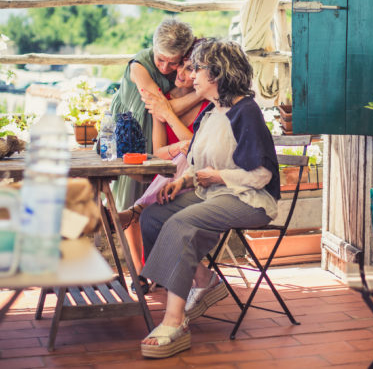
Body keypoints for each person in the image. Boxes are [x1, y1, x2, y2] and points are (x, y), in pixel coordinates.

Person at [137, 39, 279, 359]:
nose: (191, 75)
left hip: (249, 198)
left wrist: (218, 177)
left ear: (217, 72)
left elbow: (262, 176)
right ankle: (203, 278)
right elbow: (199, 164)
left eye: (197, 68)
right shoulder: (212, 112)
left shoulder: (246, 112)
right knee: (154, 216)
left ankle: (175, 323)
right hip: (212, 193)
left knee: (182, 221)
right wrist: (184, 180)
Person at [109, 19, 202, 277]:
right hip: (132, 136)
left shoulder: (185, 67)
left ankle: (154, 266)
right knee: (130, 196)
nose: (165, 67)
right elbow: (161, 108)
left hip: (159, 138)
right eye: (161, 59)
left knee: (151, 199)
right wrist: (202, 93)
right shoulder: (139, 66)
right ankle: (138, 273)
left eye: (173, 62)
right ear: (154, 49)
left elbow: (165, 110)